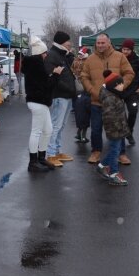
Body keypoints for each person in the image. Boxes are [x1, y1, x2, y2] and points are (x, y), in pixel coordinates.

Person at [80, 33, 134, 165]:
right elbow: (84, 76)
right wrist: (92, 91)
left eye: (103, 43)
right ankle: (96, 151)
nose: (100, 45)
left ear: (109, 43)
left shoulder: (120, 56)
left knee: (118, 129)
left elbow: (129, 73)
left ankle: (121, 154)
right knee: (96, 129)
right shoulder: (90, 59)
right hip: (96, 101)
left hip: (115, 102)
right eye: (98, 43)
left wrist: (121, 86)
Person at [24, 36, 63, 172]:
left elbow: (43, 83)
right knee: (37, 131)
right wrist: (56, 75)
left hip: (39, 101)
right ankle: (33, 162)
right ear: (41, 53)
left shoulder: (34, 65)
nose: (46, 55)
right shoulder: (37, 66)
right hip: (38, 101)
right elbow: (46, 86)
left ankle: (40, 158)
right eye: (45, 53)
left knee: (48, 130)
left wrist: (52, 75)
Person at [45, 31, 76, 167]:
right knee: (56, 125)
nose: (70, 43)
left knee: (61, 125)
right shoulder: (52, 55)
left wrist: (69, 54)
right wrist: (68, 88)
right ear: (62, 42)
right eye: (68, 41)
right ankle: (50, 154)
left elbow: (68, 69)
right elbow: (52, 77)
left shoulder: (61, 54)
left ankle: (57, 151)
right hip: (60, 95)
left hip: (67, 95)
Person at [95, 70, 130, 186]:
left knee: (116, 149)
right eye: (120, 84)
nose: (122, 85)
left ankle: (101, 166)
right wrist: (118, 128)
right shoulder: (110, 98)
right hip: (114, 129)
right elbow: (109, 117)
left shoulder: (114, 94)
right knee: (115, 151)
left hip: (118, 127)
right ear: (113, 86)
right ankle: (114, 174)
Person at [120, 38, 139, 145]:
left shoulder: (137, 60)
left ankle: (129, 132)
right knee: (120, 114)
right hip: (119, 90)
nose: (125, 51)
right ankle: (124, 133)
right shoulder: (117, 57)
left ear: (132, 49)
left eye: (128, 49)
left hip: (132, 91)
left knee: (133, 111)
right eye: (124, 49)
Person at [71, 47, 91, 143]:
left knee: (79, 112)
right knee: (85, 113)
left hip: (77, 89)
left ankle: (79, 133)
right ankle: (82, 135)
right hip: (84, 88)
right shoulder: (87, 61)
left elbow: (72, 71)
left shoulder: (76, 61)